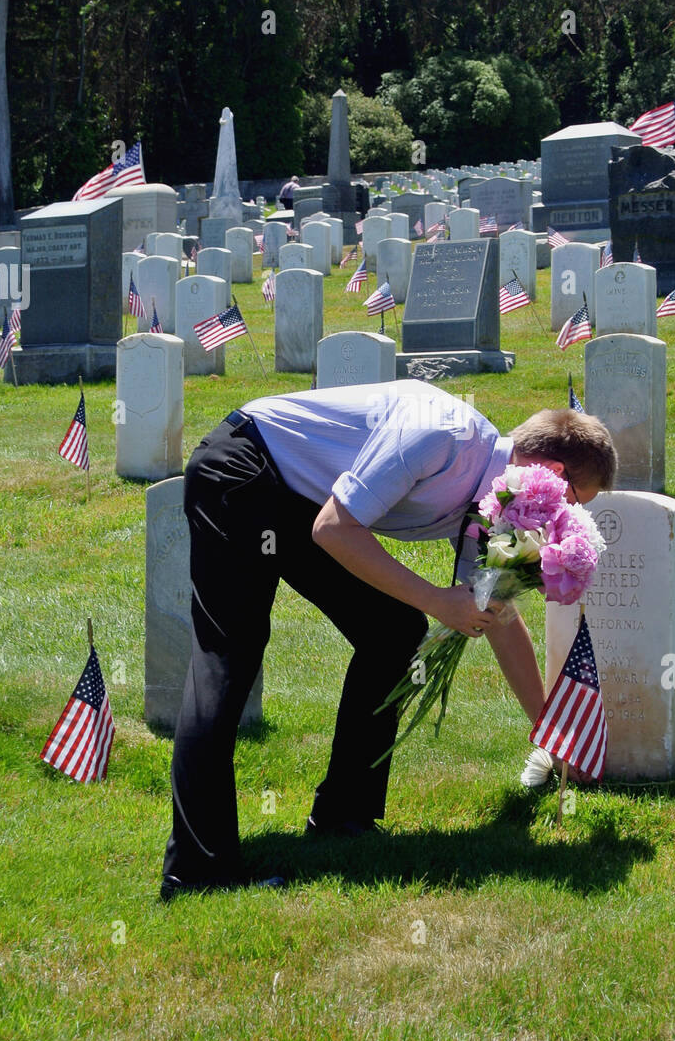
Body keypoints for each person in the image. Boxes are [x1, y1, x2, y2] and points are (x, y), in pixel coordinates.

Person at [160, 381, 616, 899]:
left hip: (298, 500)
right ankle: (197, 870)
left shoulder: (499, 506)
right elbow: (333, 529)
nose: (565, 522)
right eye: (575, 503)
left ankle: (342, 816)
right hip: (244, 469)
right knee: (229, 655)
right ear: (555, 476)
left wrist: (551, 734)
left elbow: (497, 616)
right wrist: (437, 600)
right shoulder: (440, 434)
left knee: (392, 631)